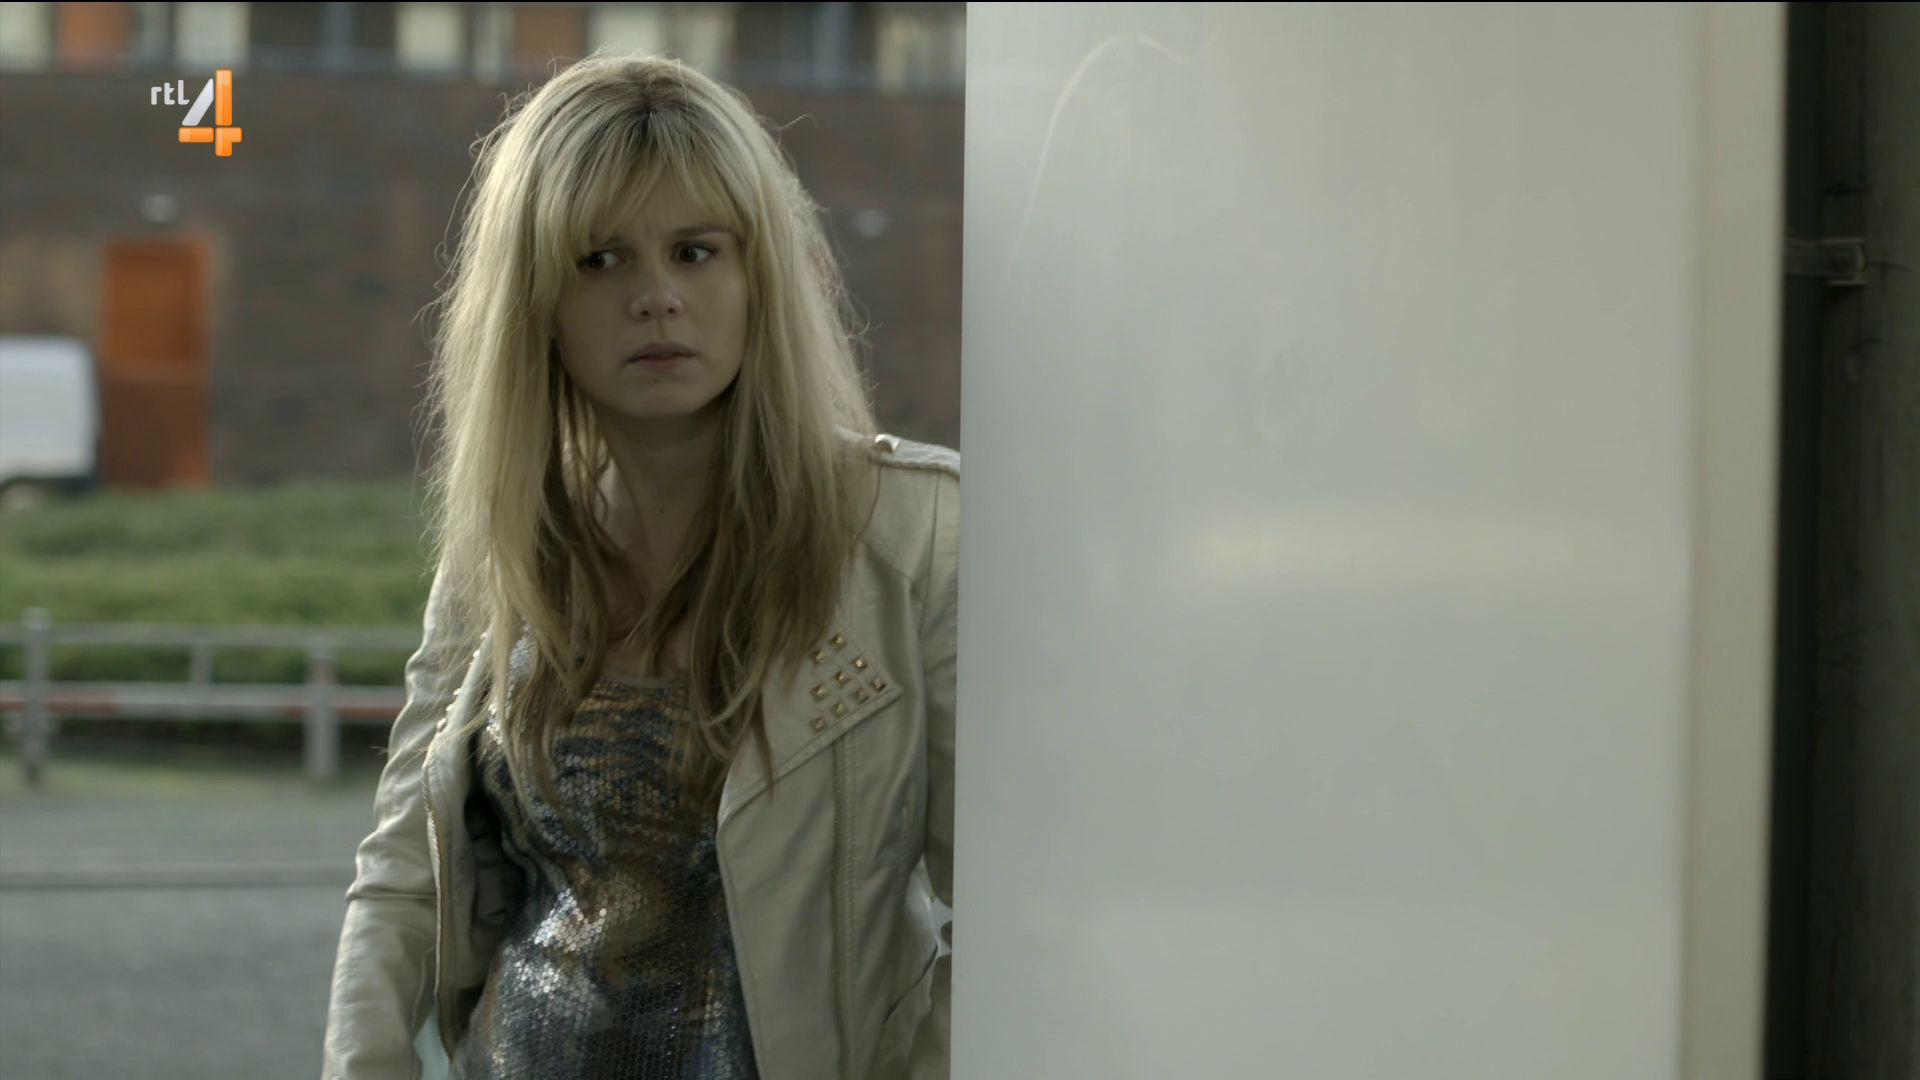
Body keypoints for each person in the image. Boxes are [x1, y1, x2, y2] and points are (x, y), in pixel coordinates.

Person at [321, 51, 957, 1080]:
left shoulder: (912, 535)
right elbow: (403, 877)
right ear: (536, 303)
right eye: (600, 260)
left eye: (696, 252)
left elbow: (1009, 905)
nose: (656, 297)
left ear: (758, 276)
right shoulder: (507, 548)